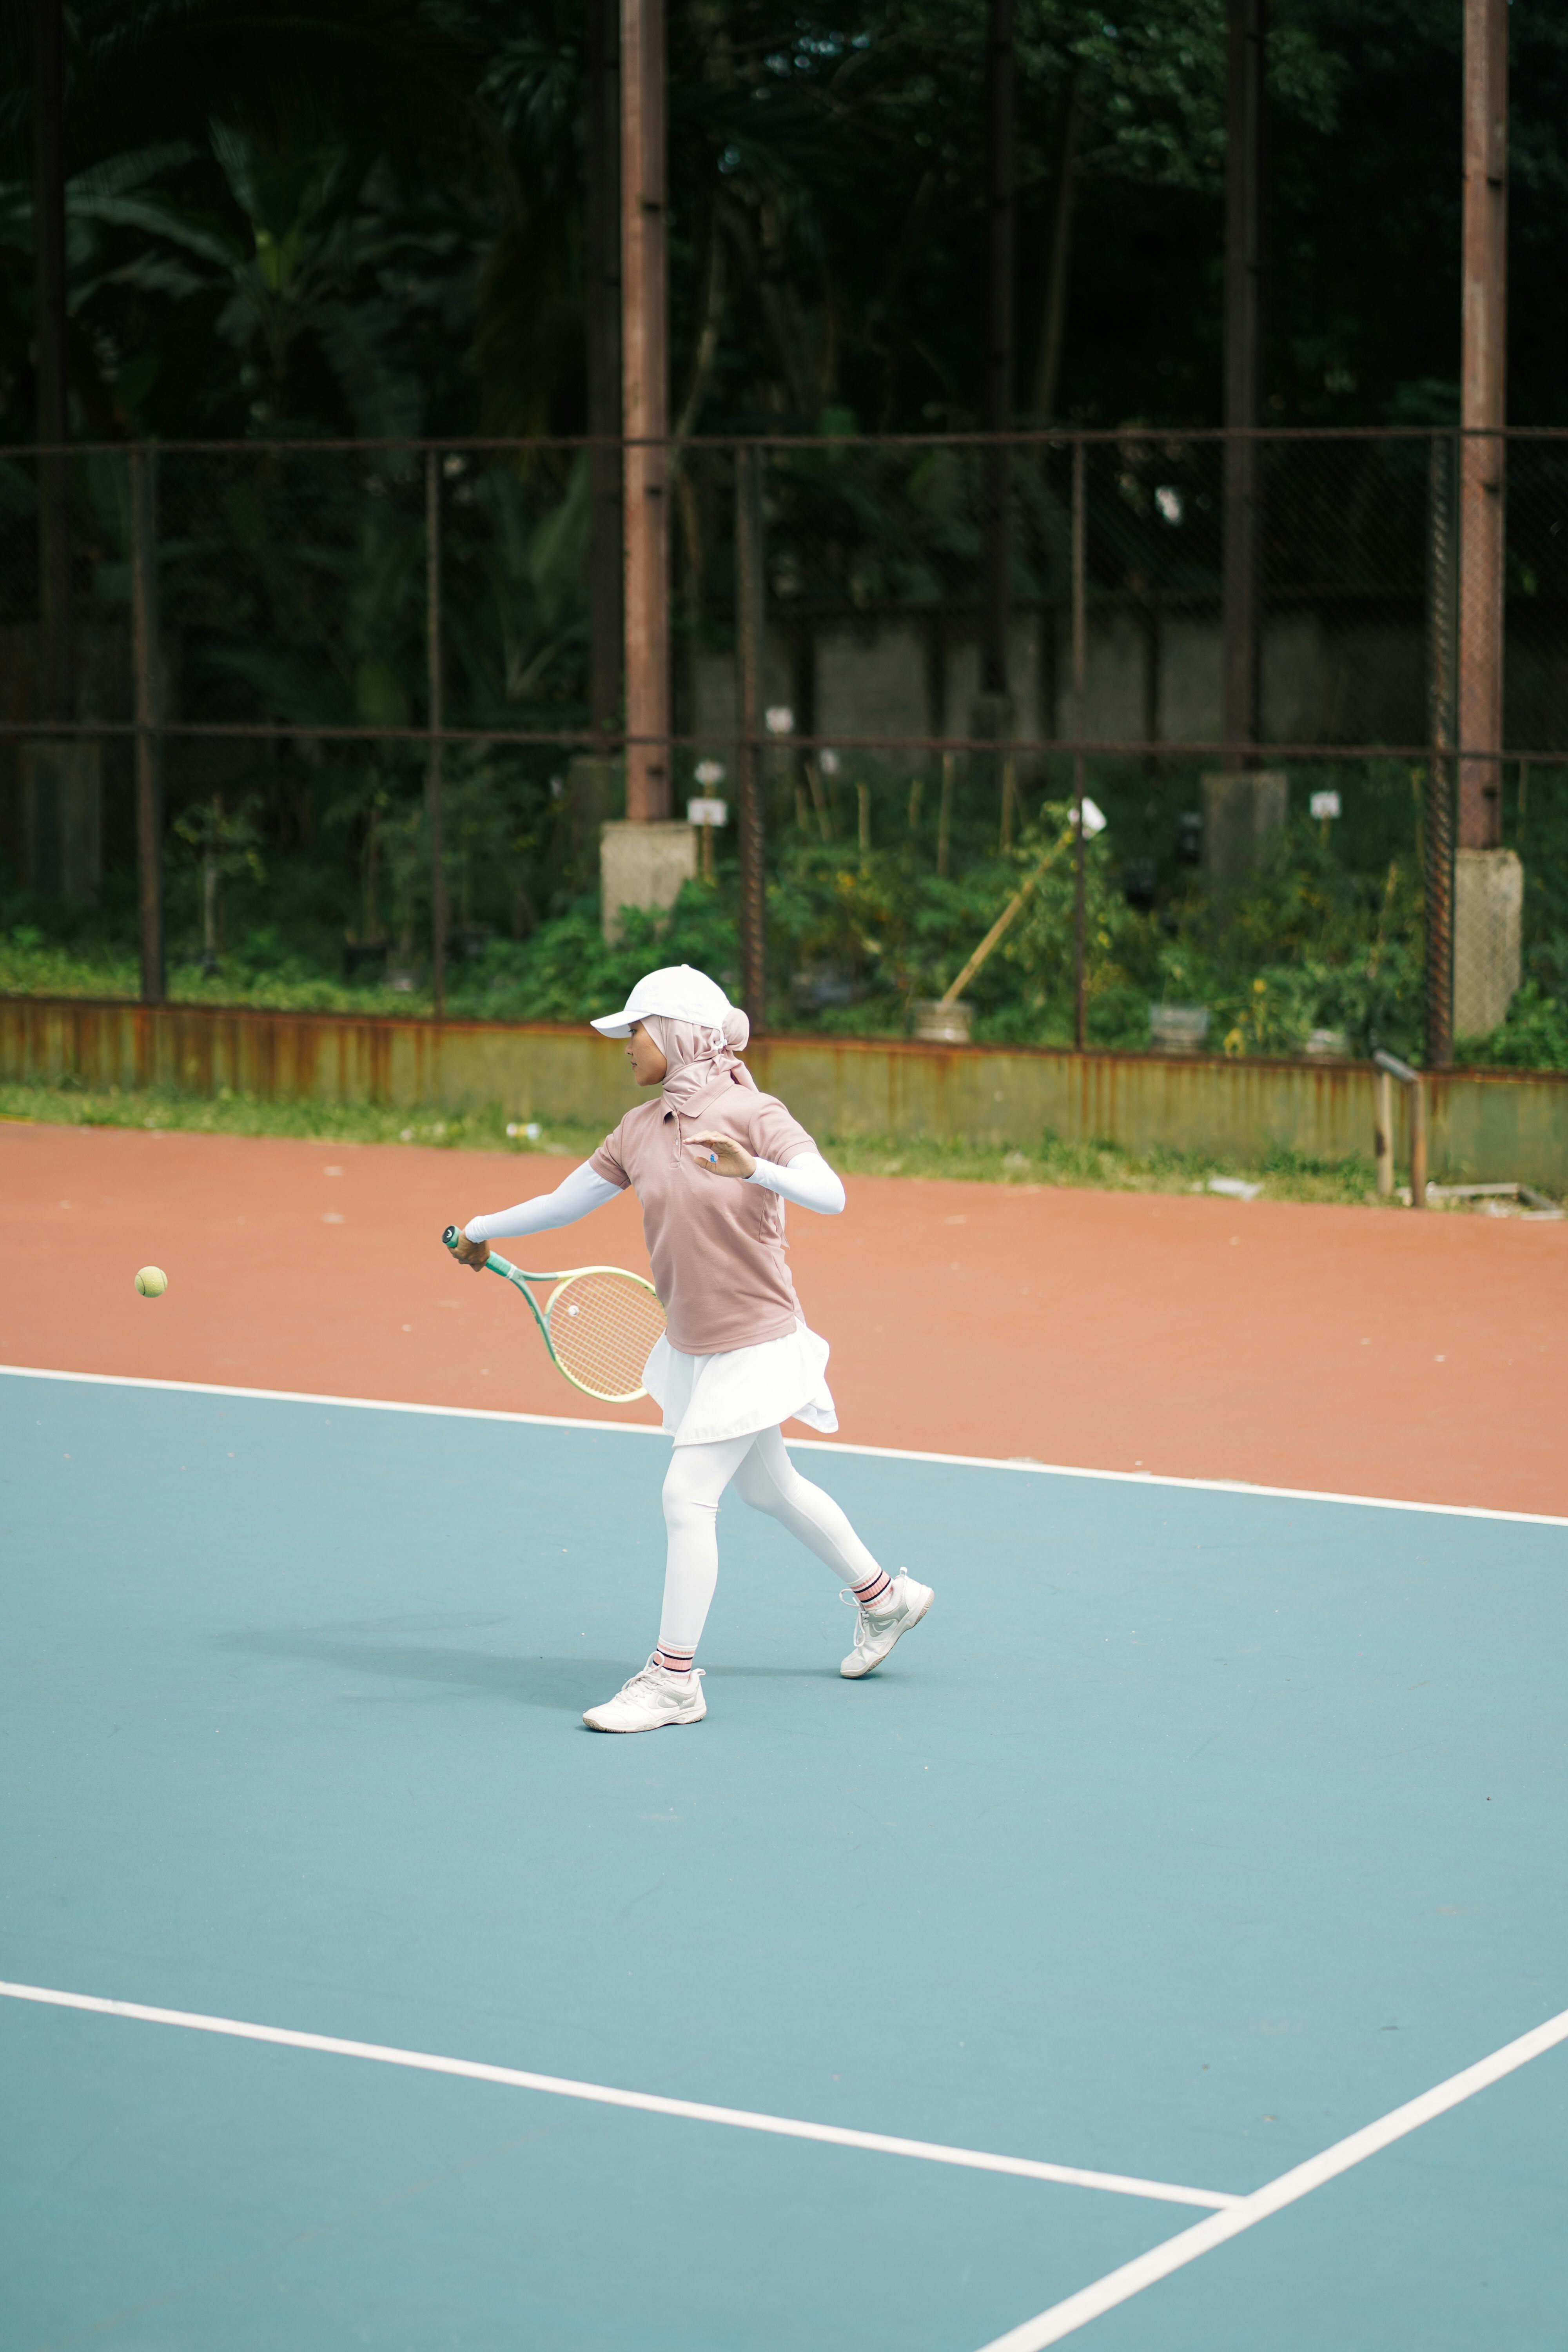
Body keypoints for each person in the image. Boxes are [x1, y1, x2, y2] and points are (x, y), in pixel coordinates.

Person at [455, 964, 933, 1732]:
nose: (624, 1046)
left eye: (634, 1030)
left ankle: (674, 1680)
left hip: (757, 1340)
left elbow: (831, 1192)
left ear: (676, 1037)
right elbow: (561, 1202)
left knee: (687, 1495)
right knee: (767, 1489)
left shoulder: (753, 1111)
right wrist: (481, 1230)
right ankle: (886, 1599)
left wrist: (755, 1168)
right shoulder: (638, 1131)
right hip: (694, 1346)